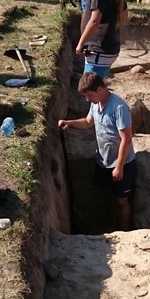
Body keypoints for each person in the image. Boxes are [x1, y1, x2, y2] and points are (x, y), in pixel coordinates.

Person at [58, 72, 136, 231]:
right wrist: (69, 123)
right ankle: (114, 227)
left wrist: (119, 167)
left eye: (89, 95)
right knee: (110, 196)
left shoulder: (119, 108)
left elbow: (126, 139)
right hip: (103, 160)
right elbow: (88, 122)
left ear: (100, 89)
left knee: (122, 201)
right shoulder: (96, 103)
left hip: (122, 163)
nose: (87, 99)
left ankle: (125, 232)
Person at [77, 0, 127, 78]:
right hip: (109, 48)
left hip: (99, 51)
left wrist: (81, 43)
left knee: (89, 87)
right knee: (97, 86)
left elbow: (95, 20)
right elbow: (124, 15)